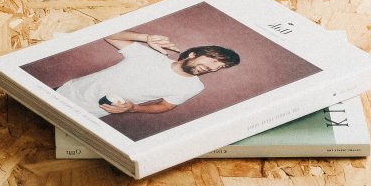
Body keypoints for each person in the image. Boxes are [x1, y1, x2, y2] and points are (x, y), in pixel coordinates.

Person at [54, 31, 240, 118]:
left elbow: (166, 106)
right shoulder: (150, 56)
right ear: (193, 54)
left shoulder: (194, 87)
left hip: (89, 115)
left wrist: (133, 108)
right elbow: (109, 35)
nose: (214, 68)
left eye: (220, 67)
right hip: (64, 93)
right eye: (213, 60)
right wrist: (146, 38)